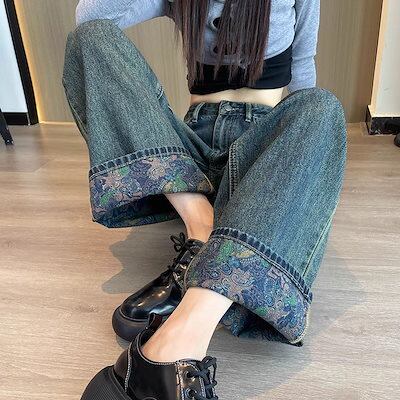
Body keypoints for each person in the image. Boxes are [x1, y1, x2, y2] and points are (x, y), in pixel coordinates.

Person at [62, 1, 347, 399]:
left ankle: (180, 333)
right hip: (188, 158)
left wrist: (294, 170)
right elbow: (91, 17)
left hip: (260, 150)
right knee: (90, 39)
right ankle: (203, 227)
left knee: (321, 107)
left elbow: (302, 70)